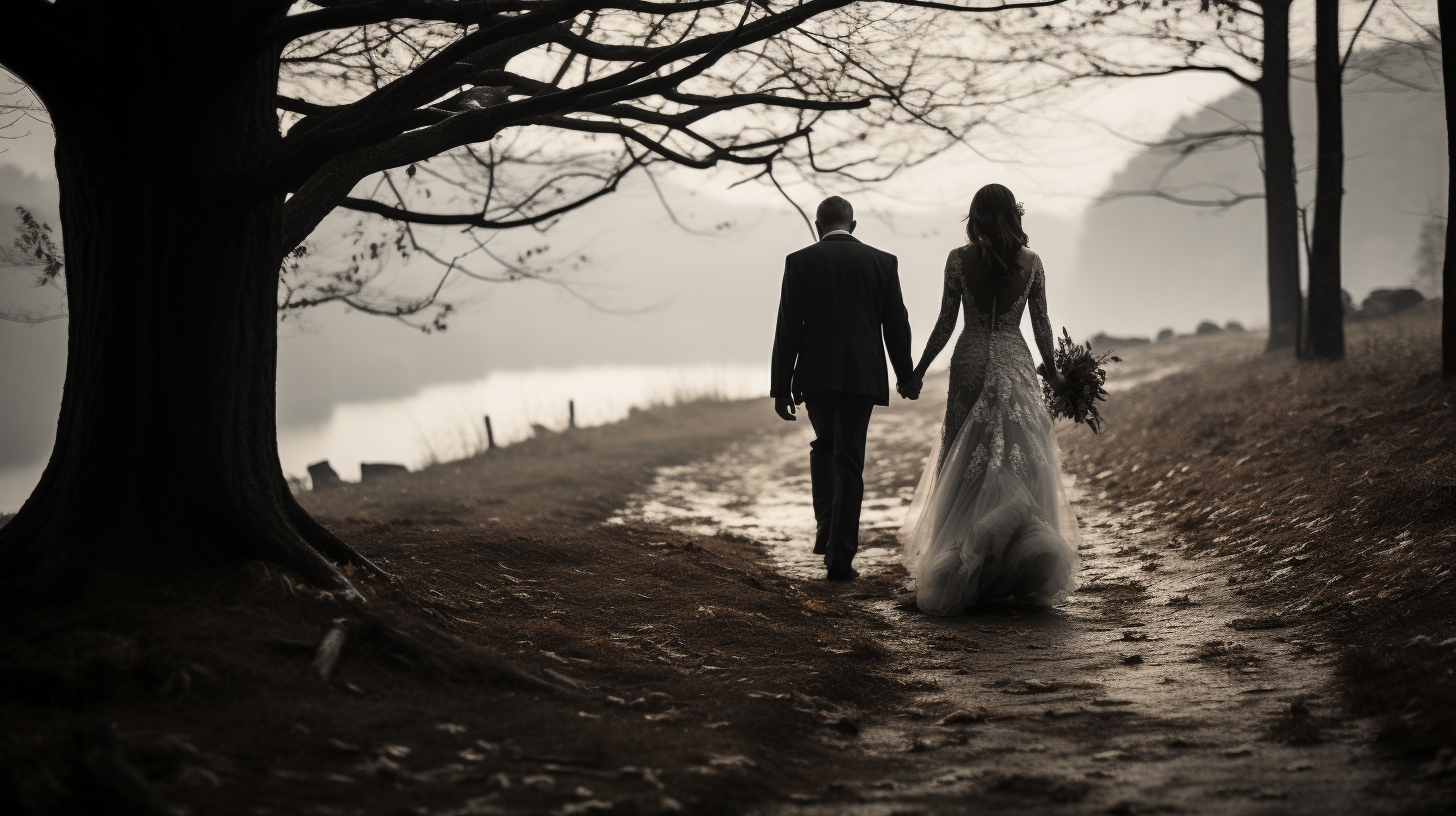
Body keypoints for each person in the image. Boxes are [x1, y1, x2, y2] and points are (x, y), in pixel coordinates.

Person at [896, 184, 1080, 615]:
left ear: (975, 216)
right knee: (1019, 455)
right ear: (1015, 216)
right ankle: (1016, 566)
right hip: (1015, 361)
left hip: (971, 362)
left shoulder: (958, 260)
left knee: (966, 459)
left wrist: (918, 371)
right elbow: (1041, 326)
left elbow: (945, 323)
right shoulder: (1032, 264)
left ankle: (965, 566)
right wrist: (1052, 372)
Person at [770, 196, 915, 580]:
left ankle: (826, 524)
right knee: (848, 458)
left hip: (815, 375)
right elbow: (895, 323)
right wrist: (905, 374)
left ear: (819, 225)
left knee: (825, 446)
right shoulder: (883, 262)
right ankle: (841, 557)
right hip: (861, 375)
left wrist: (781, 388)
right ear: (854, 224)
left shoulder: (799, 261)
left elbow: (788, 328)